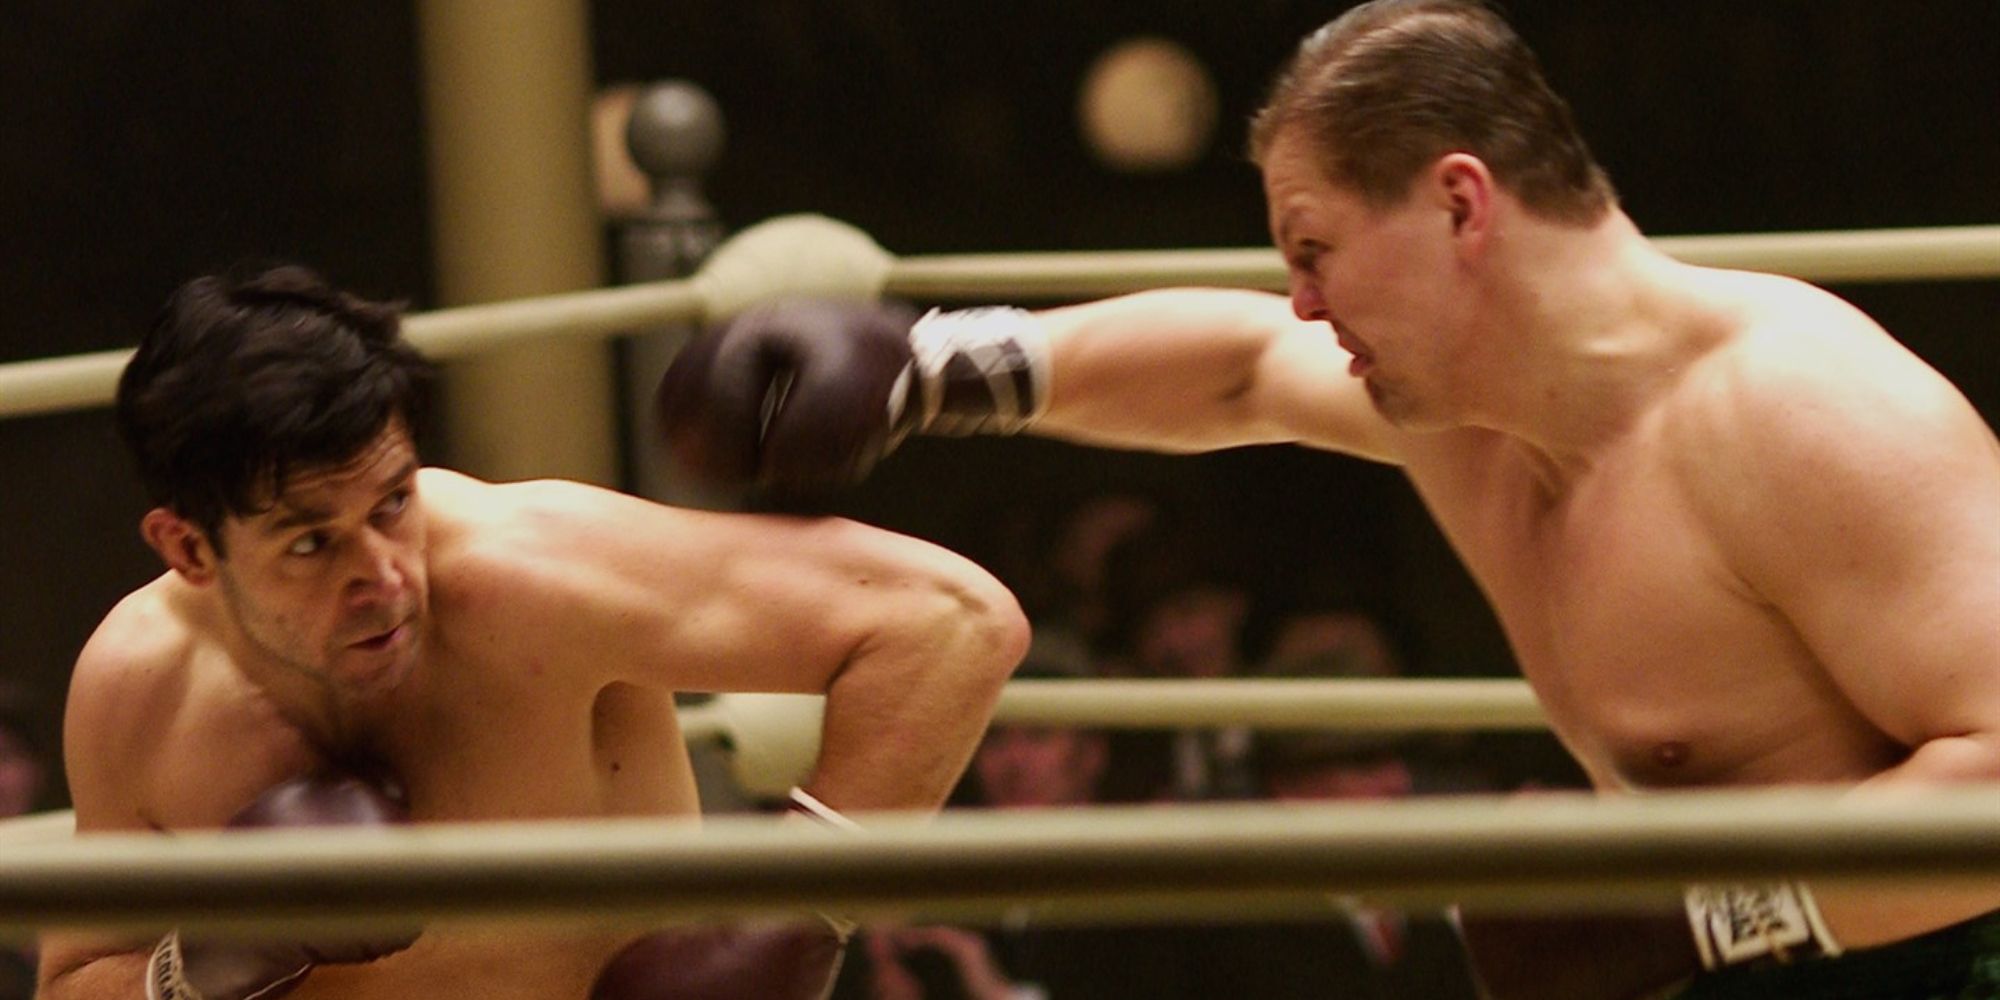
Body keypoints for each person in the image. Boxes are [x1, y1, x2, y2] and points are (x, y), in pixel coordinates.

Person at [652, 1, 2000, 996]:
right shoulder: (1473, 406)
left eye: (1315, 251)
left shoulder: (1799, 415)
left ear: (1461, 206)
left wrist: (1705, 913)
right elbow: (1237, 368)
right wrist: (922, 367)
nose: (1303, 301)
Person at [40, 265, 1030, 1000]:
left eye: (392, 504)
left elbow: (947, 622)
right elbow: (76, 981)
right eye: (311, 543)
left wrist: (800, 914)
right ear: (189, 548)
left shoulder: (539, 580)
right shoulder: (138, 689)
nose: (382, 577)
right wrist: (199, 971)